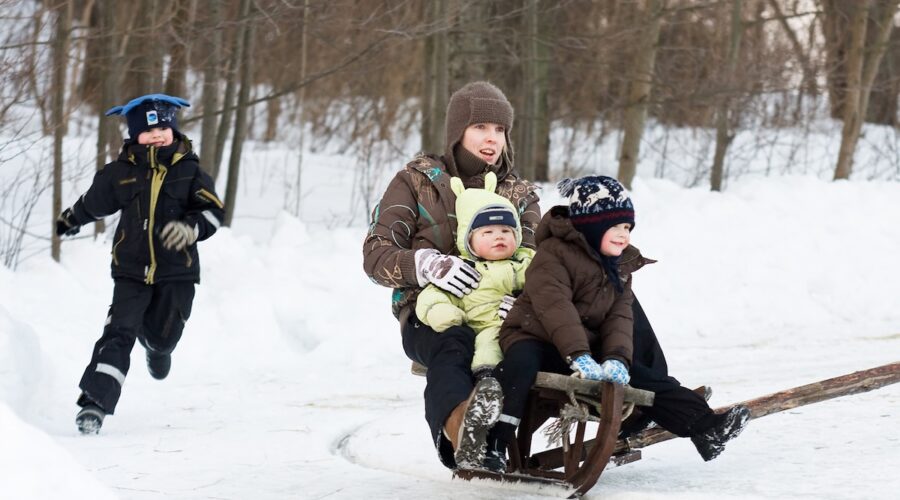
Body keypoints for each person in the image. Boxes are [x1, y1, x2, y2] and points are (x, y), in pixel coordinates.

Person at [491, 176, 750, 472]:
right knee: (521, 362)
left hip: (581, 349)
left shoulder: (618, 266)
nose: (623, 235)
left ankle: (706, 427)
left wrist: (616, 358)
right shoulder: (553, 255)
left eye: (627, 227)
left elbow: (620, 318)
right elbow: (556, 309)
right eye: (614, 227)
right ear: (590, 226)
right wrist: (578, 354)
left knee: (644, 377)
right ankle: (496, 440)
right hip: (534, 336)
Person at [363, 81, 540, 470]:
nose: (492, 139)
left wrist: (527, 300)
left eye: (500, 130)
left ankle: (641, 401)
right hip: (432, 313)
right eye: (480, 127)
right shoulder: (416, 183)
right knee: (454, 343)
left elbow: (536, 260)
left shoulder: (519, 195)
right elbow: (375, 255)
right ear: (457, 130)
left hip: (501, 313)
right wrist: (426, 265)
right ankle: (464, 432)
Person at [55, 94, 225, 434]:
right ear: (134, 136)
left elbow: (213, 212)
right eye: (149, 131)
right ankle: (94, 403)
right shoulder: (120, 173)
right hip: (130, 270)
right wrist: (69, 220)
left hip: (178, 272)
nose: (158, 134)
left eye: (163, 127)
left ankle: (157, 349)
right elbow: (94, 202)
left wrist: (191, 227)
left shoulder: (190, 171)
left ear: (173, 129)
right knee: (118, 333)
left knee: (163, 337)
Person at [415, 171, 534, 385]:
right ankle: (484, 381)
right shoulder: (462, 269)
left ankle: (489, 379)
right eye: (487, 232)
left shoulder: (526, 264)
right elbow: (432, 296)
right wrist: (440, 310)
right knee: (478, 343)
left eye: (506, 230)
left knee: (497, 340)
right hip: (472, 327)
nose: (498, 236)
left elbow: (549, 288)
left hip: (509, 328)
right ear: (468, 240)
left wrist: (527, 308)